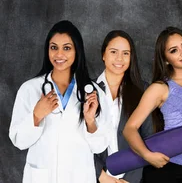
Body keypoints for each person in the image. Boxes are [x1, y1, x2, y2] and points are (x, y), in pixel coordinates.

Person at [9, 20, 110, 183]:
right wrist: (36, 115)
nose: (59, 54)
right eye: (54, 47)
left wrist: (90, 121)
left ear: (77, 50)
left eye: (67, 48)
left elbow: (99, 146)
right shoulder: (30, 89)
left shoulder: (93, 93)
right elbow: (19, 141)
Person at [123, 27, 182, 183]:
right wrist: (147, 155)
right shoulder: (160, 88)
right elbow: (129, 129)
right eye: (174, 50)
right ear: (165, 59)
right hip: (167, 169)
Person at [94, 30, 153, 183]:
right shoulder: (85, 90)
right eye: (113, 52)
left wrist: (133, 179)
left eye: (126, 53)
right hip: (95, 177)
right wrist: (101, 177)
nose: (119, 58)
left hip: (133, 178)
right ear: (103, 54)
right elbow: (78, 140)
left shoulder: (143, 91)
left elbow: (149, 139)